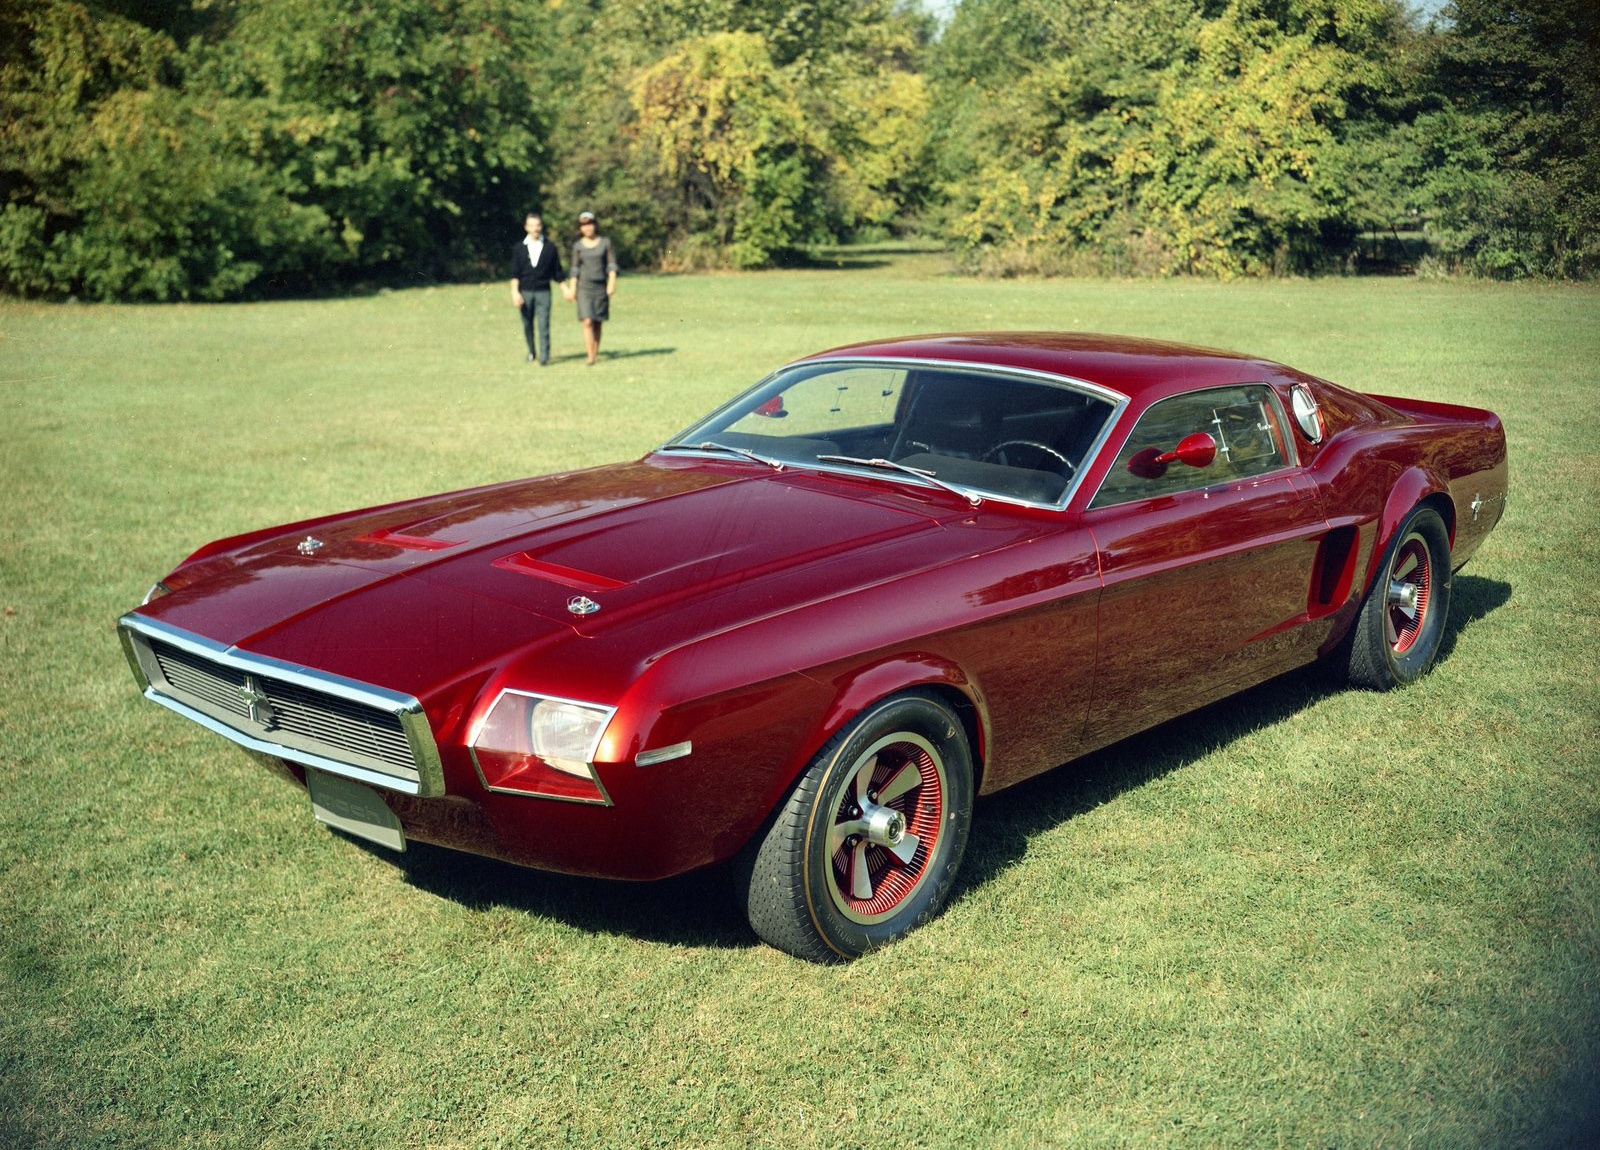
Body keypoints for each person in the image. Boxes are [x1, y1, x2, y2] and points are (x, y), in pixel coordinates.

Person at [563, 210, 618, 365]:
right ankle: (590, 356)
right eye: (584, 225)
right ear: (580, 228)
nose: (587, 228)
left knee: (597, 321)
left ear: (595, 225)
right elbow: (574, 269)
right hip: (584, 288)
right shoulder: (578, 246)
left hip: (601, 286)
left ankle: (595, 349)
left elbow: (611, 264)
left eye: (590, 224)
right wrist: (572, 289)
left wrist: (612, 282)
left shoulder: (605, 242)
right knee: (587, 321)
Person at [510, 212, 563, 365]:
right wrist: (515, 293)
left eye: (538, 225)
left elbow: (557, 272)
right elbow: (515, 273)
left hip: (543, 292)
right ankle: (532, 352)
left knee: (543, 324)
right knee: (527, 324)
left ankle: (544, 356)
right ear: (526, 227)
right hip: (525, 292)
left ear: (541, 226)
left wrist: (565, 289)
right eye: (532, 225)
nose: (535, 229)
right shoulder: (519, 248)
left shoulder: (550, 247)